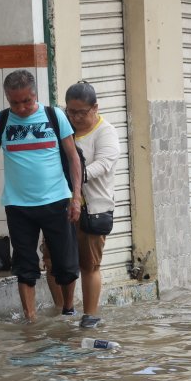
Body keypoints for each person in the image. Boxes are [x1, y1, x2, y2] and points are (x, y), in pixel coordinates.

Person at [0, 70, 83, 322]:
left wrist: (76, 197)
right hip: (18, 206)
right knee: (25, 265)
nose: (21, 108)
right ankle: (30, 319)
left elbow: (73, 158)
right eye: (15, 102)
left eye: (27, 101)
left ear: (36, 94)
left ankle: (68, 310)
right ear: (7, 99)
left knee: (65, 263)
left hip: (56, 201)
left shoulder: (55, 116)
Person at [46, 81, 120, 329]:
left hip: (92, 210)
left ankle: (89, 315)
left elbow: (104, 164)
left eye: (81, 112)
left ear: (95, 108)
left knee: (89, 264)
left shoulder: (105, 132)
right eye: (71, 112)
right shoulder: (61, 129)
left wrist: (76, 176)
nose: (76, 117)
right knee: (53, 262)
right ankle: (62, 311)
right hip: (59, 207)